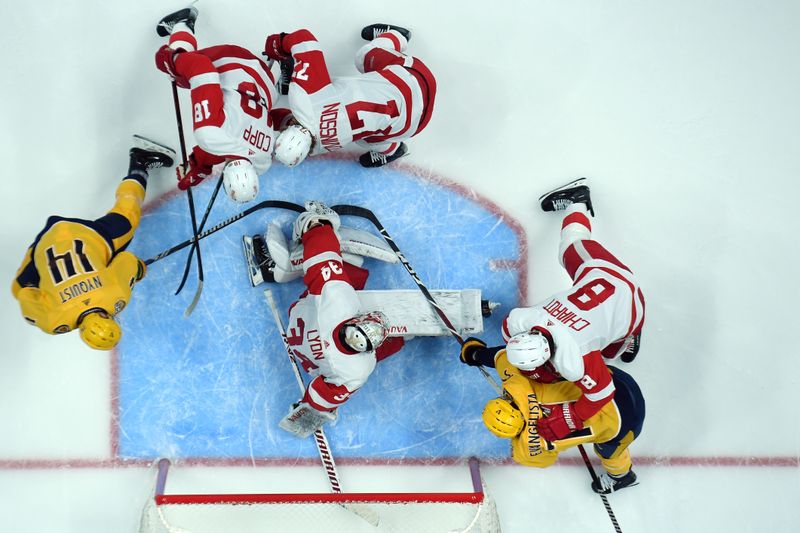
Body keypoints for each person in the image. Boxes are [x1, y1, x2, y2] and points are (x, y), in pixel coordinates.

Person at [459, 178, 646, 493]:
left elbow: (601, 392)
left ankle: (578, 199)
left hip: (624, 303)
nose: (533, 376)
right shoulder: (527, 328)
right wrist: (476, 354)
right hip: (608, 285)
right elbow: (506, 354)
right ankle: (577, 203)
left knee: (609, 359)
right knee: (572, 247)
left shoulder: (580, 358)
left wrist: (570, 419)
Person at [11, 135, 175, 350]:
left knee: (127, 217)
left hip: (85, 235)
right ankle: (42, 258)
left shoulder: (115, 296)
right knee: (17, 287)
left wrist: (139, 270)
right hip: (43, 245)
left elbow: (127, 260)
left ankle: (140, 162)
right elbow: (23, 294)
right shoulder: (53, 322)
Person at [278, 201, 405, 438]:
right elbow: (320, 397)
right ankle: (345, 260)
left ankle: (336, 258)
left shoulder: (338, 305)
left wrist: (317, 225)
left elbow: (323, 263)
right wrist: (311, 412)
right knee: (396, 342)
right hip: (308, 356)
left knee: (335, 280)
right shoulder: (357, 369)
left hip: (299, 319)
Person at [262, 23, 437, 168]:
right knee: (364, 57)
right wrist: (276, 46)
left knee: (367, 138)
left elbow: (289, 118)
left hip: (412, 126)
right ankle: (395, 37)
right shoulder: (305, 98)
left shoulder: (321, 147)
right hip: (415, 80)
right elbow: (303, 39)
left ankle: (392, 150)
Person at [154, 6, 278, 203]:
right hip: (234, 59)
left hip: (266, 80)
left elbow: (231, 144)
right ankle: (183, 22)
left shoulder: (263, 162)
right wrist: (173, 60)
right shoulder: (209, 133)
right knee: (183, 75)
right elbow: (202, 69)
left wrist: (199, 167)